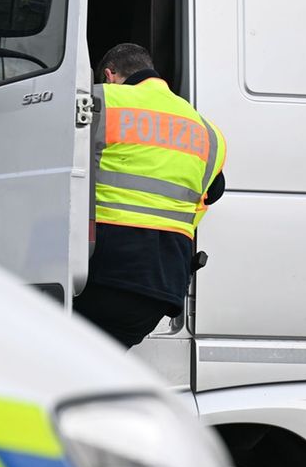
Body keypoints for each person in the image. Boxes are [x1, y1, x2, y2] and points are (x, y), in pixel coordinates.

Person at [75, 43, 227, 349]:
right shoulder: (208, 132)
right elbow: (213, 193)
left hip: (101, 270)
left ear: (110, 75)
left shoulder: (99, 100)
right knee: (94, 363)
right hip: (161, 285)